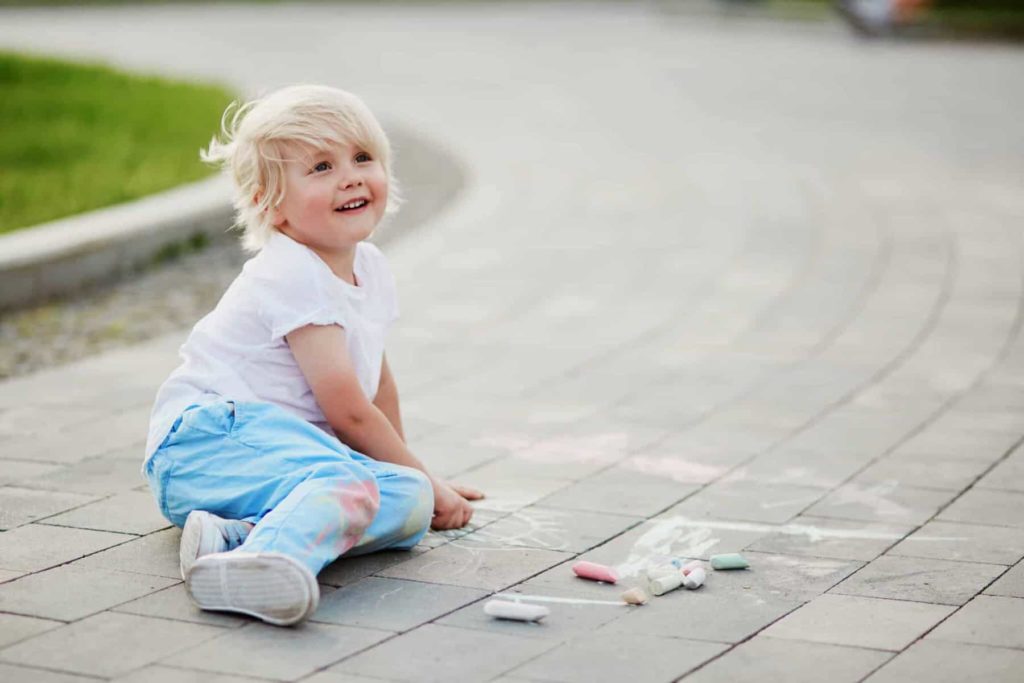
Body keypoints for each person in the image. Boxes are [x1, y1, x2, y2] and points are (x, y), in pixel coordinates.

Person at [142, 84, 483, 626]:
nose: (349, 176)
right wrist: (429, 480)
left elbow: (376, 386)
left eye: (362, 158)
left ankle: (235, 538)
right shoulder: (292, 272)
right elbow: (347, 411)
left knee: (408, 502)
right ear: (269, 205)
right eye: (321, 167)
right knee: (355, 485)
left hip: (268, 469)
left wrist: (423, 480)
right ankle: (262, 565)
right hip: (205, 444)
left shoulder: (368, 267)